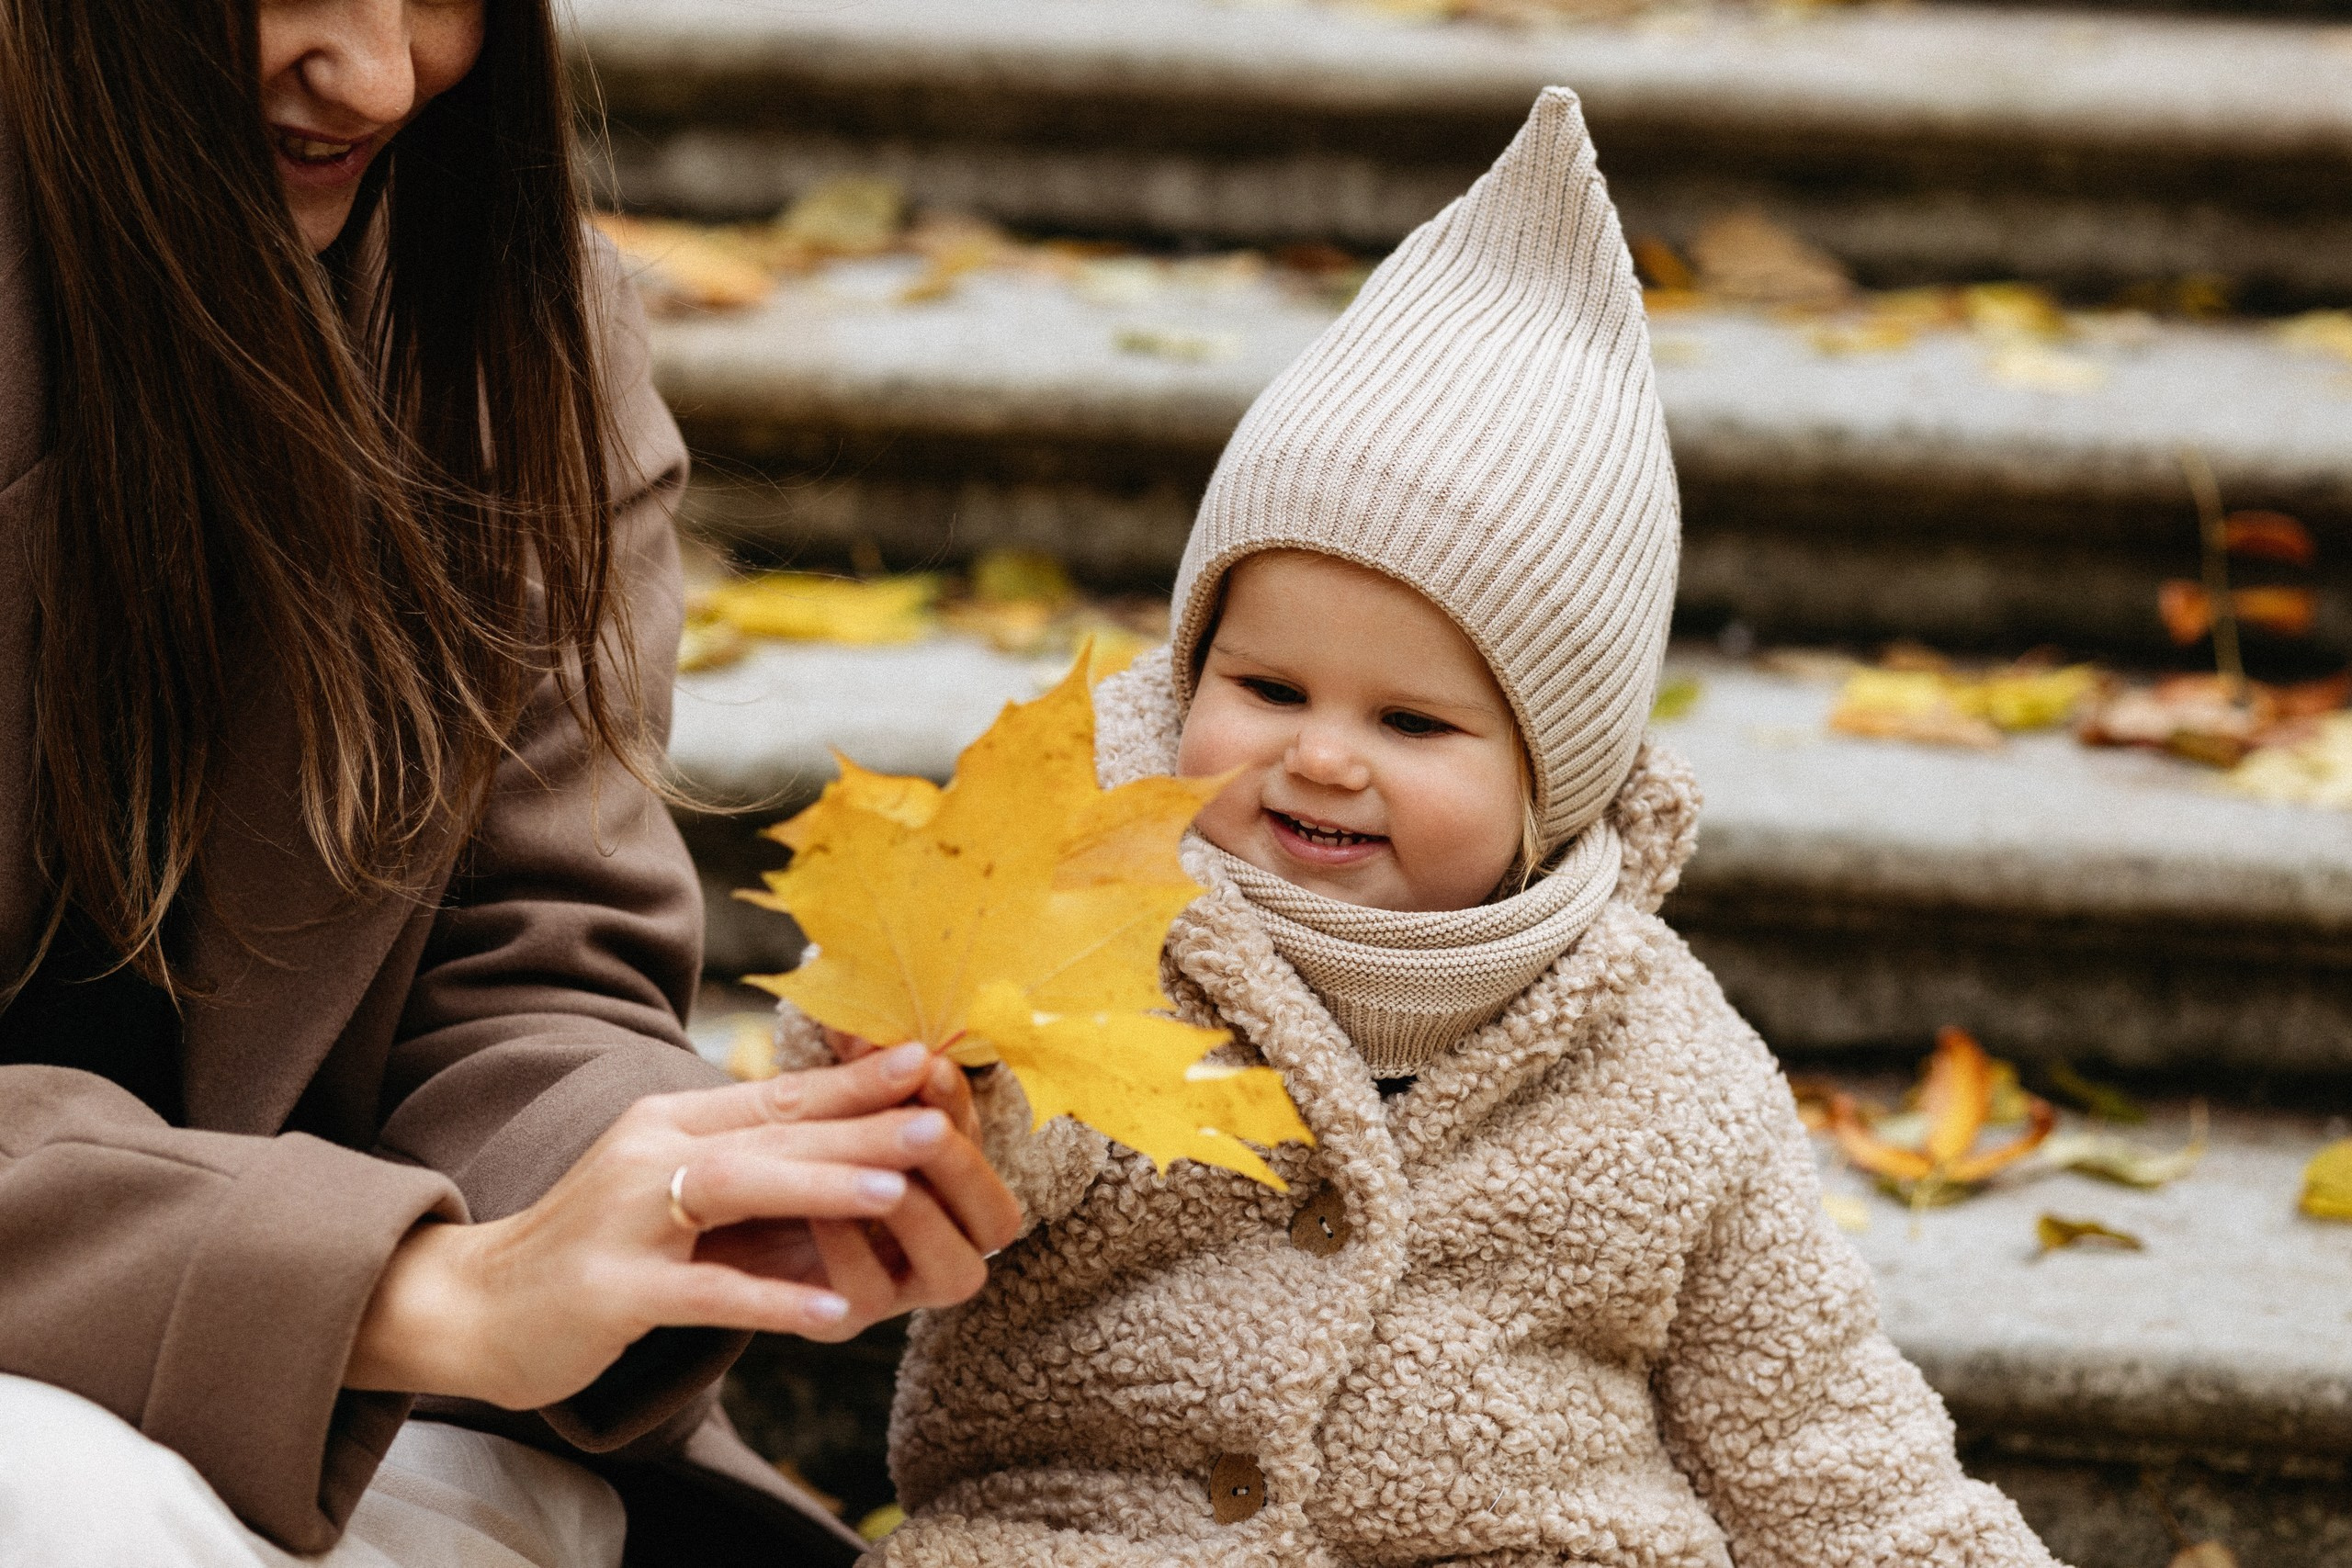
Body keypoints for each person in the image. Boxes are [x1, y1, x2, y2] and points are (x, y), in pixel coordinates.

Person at [780, 90, 2065, 1564]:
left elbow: (1821, 1424)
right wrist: (921, 1065)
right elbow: (977, 1126)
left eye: (1413, 725)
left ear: (1552, 782)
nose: (1324, 758)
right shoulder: (1094, 912)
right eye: (1266, 688)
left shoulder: (1667, 1060)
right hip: (1100, 1534)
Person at [0, 1, 1020, 1564]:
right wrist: (418, 1294)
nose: (384, 74)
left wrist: (680, 1194)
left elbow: (534, 957)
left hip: (370, 1425)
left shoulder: (502, 334)